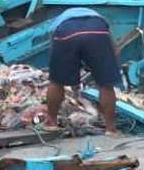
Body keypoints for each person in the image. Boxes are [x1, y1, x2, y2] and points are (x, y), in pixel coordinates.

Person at [45, 7, 120, 135]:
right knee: (106, 85)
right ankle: (111, 129)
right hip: (98, 34)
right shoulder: (99, 19)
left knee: (56, 82)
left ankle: (51, 123)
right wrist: (106, 68)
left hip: (67, 34)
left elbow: (54, 51)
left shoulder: (58, 22)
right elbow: (115, 50)